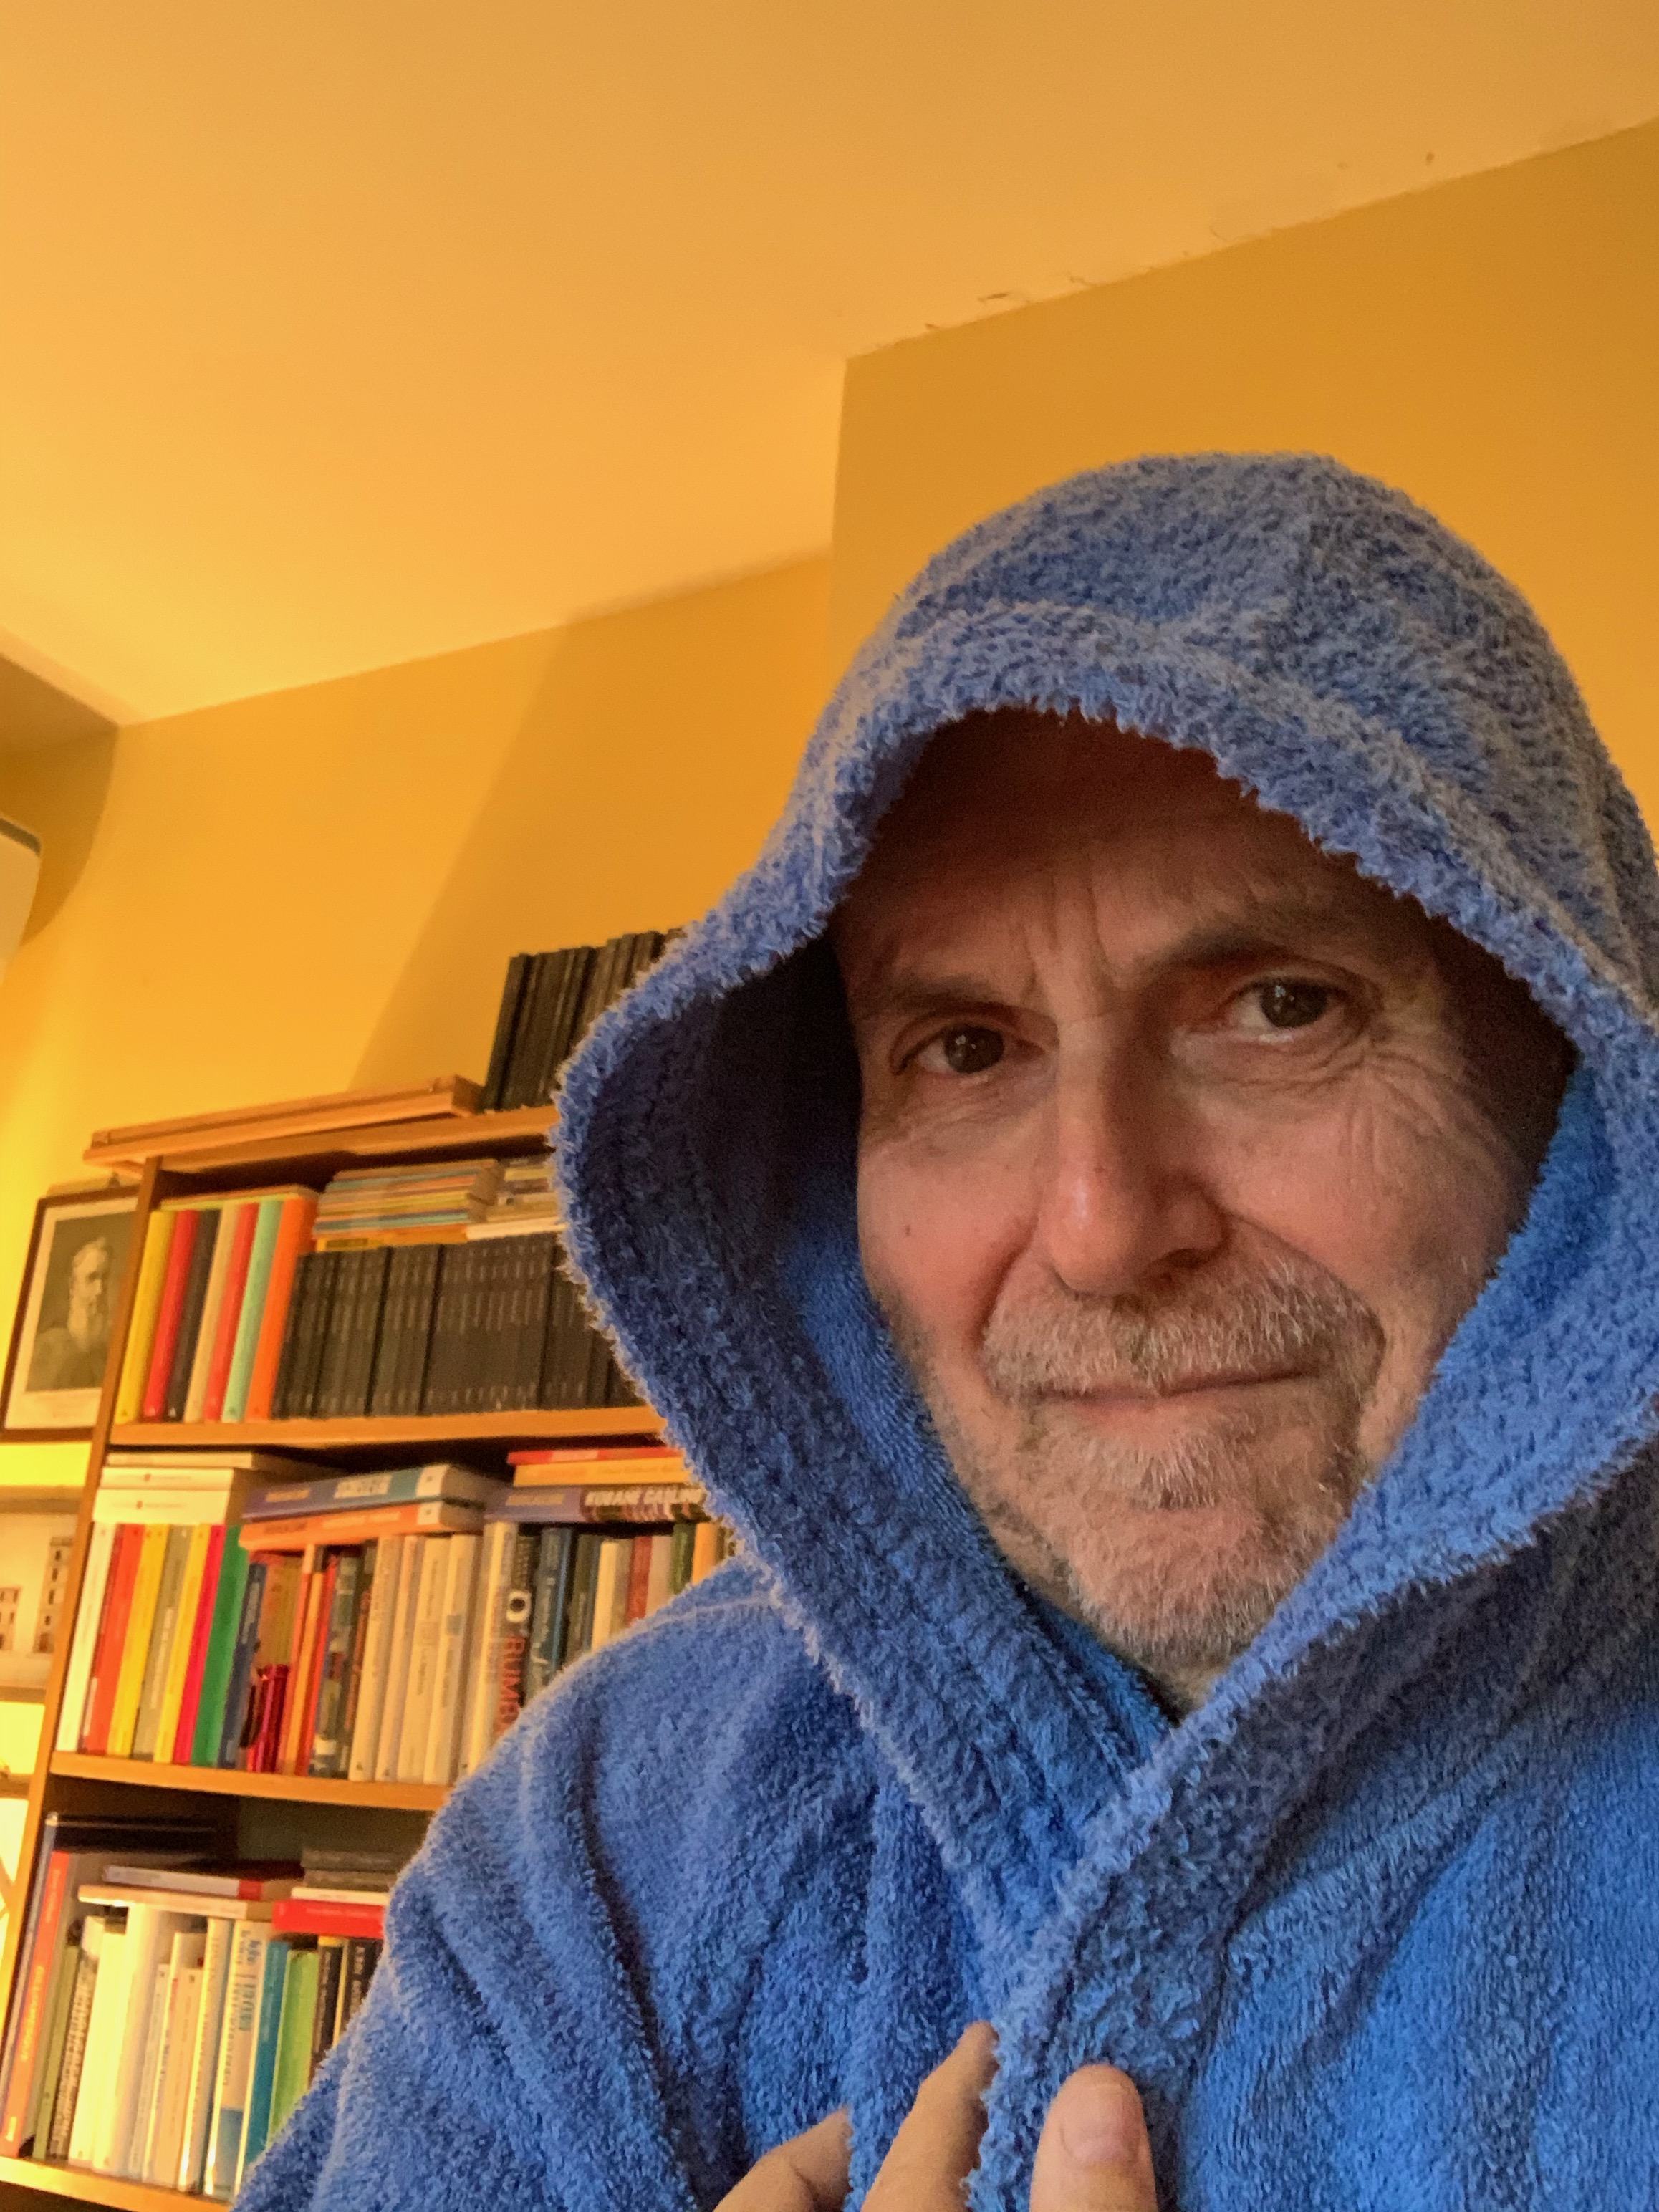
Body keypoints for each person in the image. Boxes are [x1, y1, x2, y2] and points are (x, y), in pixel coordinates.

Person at [241, 455, 1659, 2212]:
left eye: (1279, 1007)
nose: (1100, 1228)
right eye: (966, 1049)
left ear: (1573, 1092)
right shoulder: (599, 1838)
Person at [27, 1233, 113, 1393]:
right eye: (92, 1278)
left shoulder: (113, 1349)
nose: (100, 1291)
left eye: (105, 1278)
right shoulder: (46, 1349)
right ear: (73, 1284)